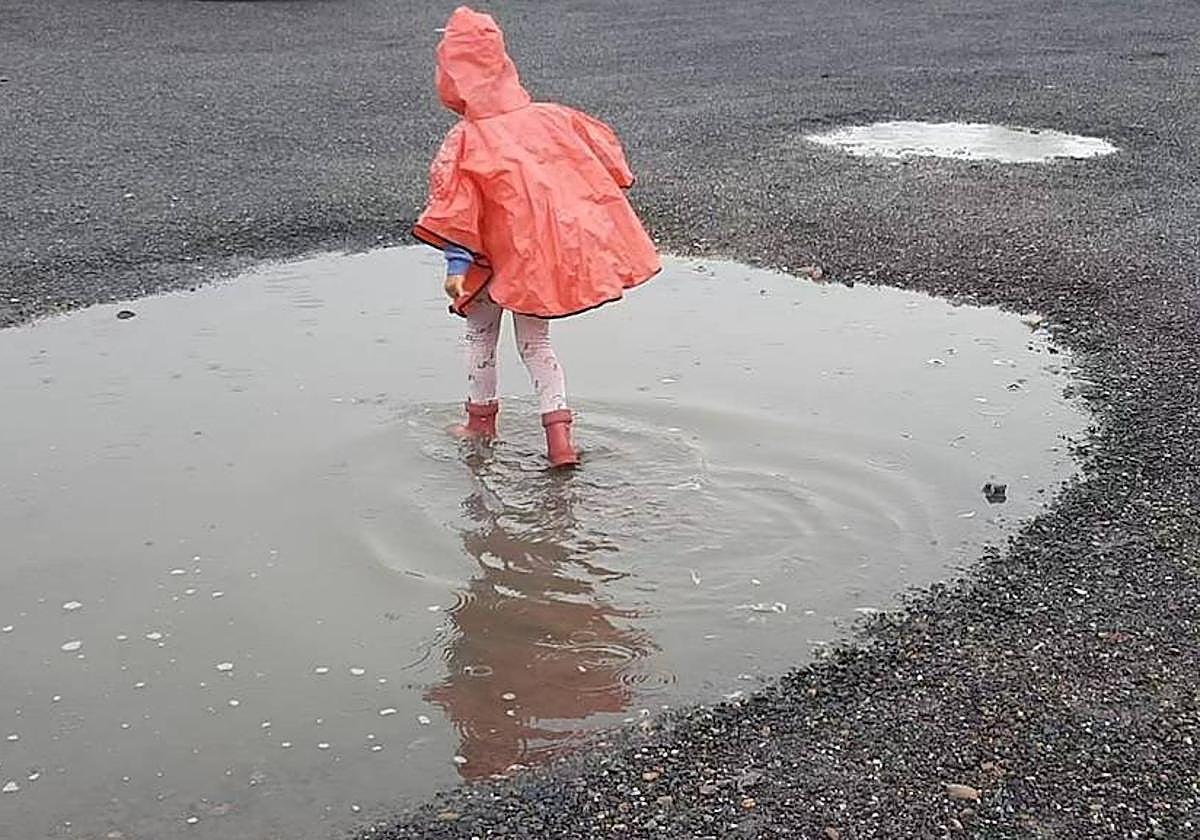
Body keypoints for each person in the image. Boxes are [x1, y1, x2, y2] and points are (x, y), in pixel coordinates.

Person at [413, 5, 660, 468]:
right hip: (537, 263)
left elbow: (456, 211)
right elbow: (605, 161)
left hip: (487, 263)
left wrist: (456, 267)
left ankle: (480, 425)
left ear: (452, 76)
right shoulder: (552, 118)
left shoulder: (465, 140)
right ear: (502, 63)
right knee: (537, 346)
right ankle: (560, 442)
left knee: (480, 337)